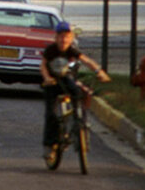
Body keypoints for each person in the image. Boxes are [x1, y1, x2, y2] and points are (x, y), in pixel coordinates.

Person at [41, 20, 109, 158]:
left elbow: (87, 61)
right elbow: (43, 66)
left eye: (67, 37)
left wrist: (99, 72)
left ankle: (78, 121)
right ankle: (50, 145)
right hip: (52, 82)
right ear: (56, 37)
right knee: (51, 114)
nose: (63, 40)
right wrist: (47, 78)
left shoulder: (72, 50)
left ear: (71, 38)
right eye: (61, 36)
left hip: (65, 79)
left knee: (78, 93)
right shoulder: (51, 50)